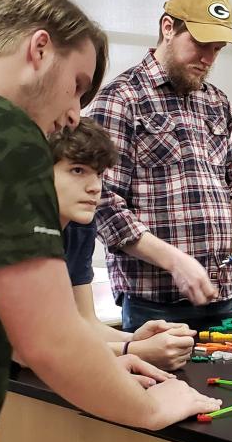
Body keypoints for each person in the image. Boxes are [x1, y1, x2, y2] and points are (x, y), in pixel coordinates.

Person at [0, 0, 220, 442]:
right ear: (39, 50)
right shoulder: (0, 133)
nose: (72, 115)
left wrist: (113, 355)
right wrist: (151, 407)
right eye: (77, 86)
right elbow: (48, 338)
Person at [86, 0, 232, 334]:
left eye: (217, 49)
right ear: (168, 27)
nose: (209, 59)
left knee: (224, 390)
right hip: (153, 302)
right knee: (156, 390)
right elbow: (102, 204)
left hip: (221, 294)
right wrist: (176, 262)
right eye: (199, 44)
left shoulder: (217, 102)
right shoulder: (122, 99)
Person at [49, 118, 196, 371]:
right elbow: (29, 347)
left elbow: (86, 323)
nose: (95, 187)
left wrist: (138, 339)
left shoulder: (80, 228)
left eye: (98, 174)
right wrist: (134, 351)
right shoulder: (21, 234)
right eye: (77, 170)